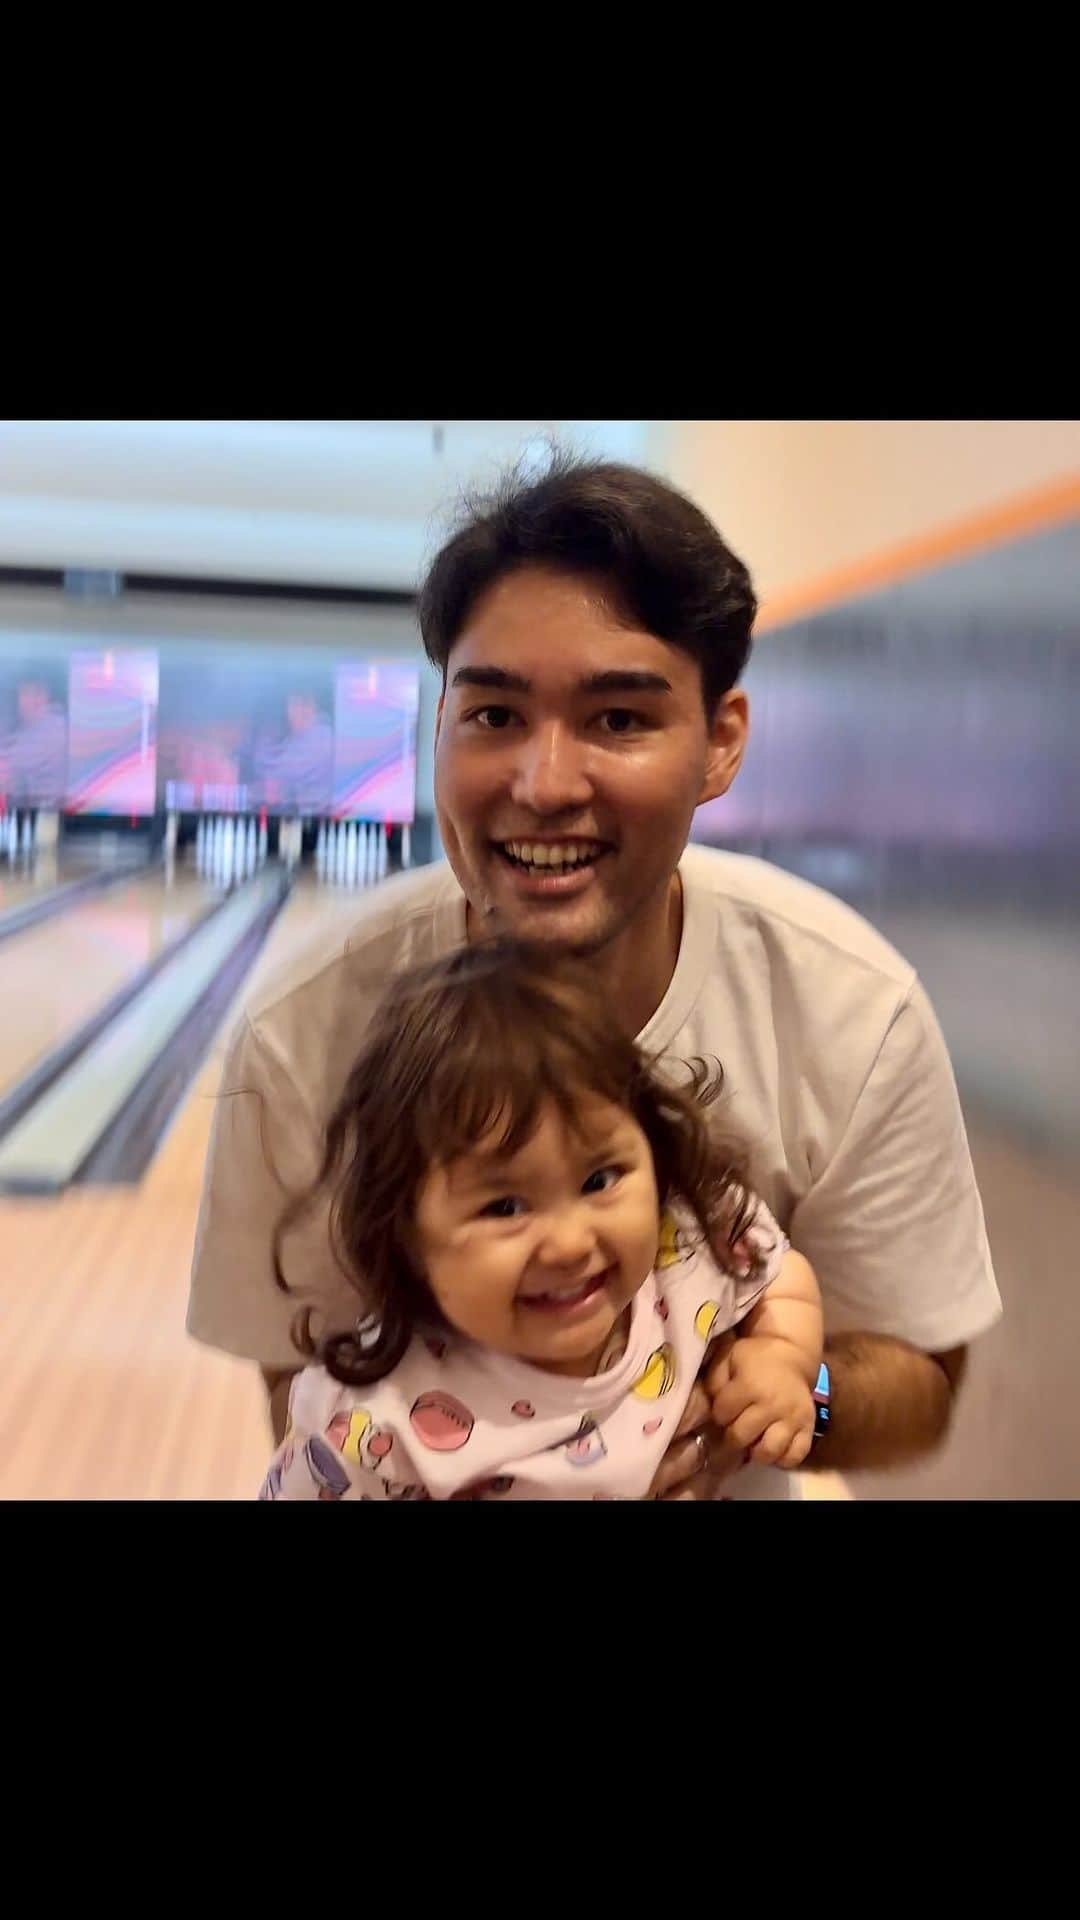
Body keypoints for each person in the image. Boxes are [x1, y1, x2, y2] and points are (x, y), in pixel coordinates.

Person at [189, 450, 1001, 1499]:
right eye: (494, 714)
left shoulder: (853, 1009)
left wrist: (784, 1394)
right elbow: (299, 1377)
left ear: (720, 742)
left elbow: (922, 1377)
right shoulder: (300, 1032)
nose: (544, 782)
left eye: (619, 718)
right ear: (437, 726)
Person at [260, 940, 824, 1501]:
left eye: (600, 1180)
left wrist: (782, 1357)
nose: (569, 1243)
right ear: (405, 1235)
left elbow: (781, 1276)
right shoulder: (374, 1419)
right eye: (504, 1207)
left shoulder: (687, 1246)